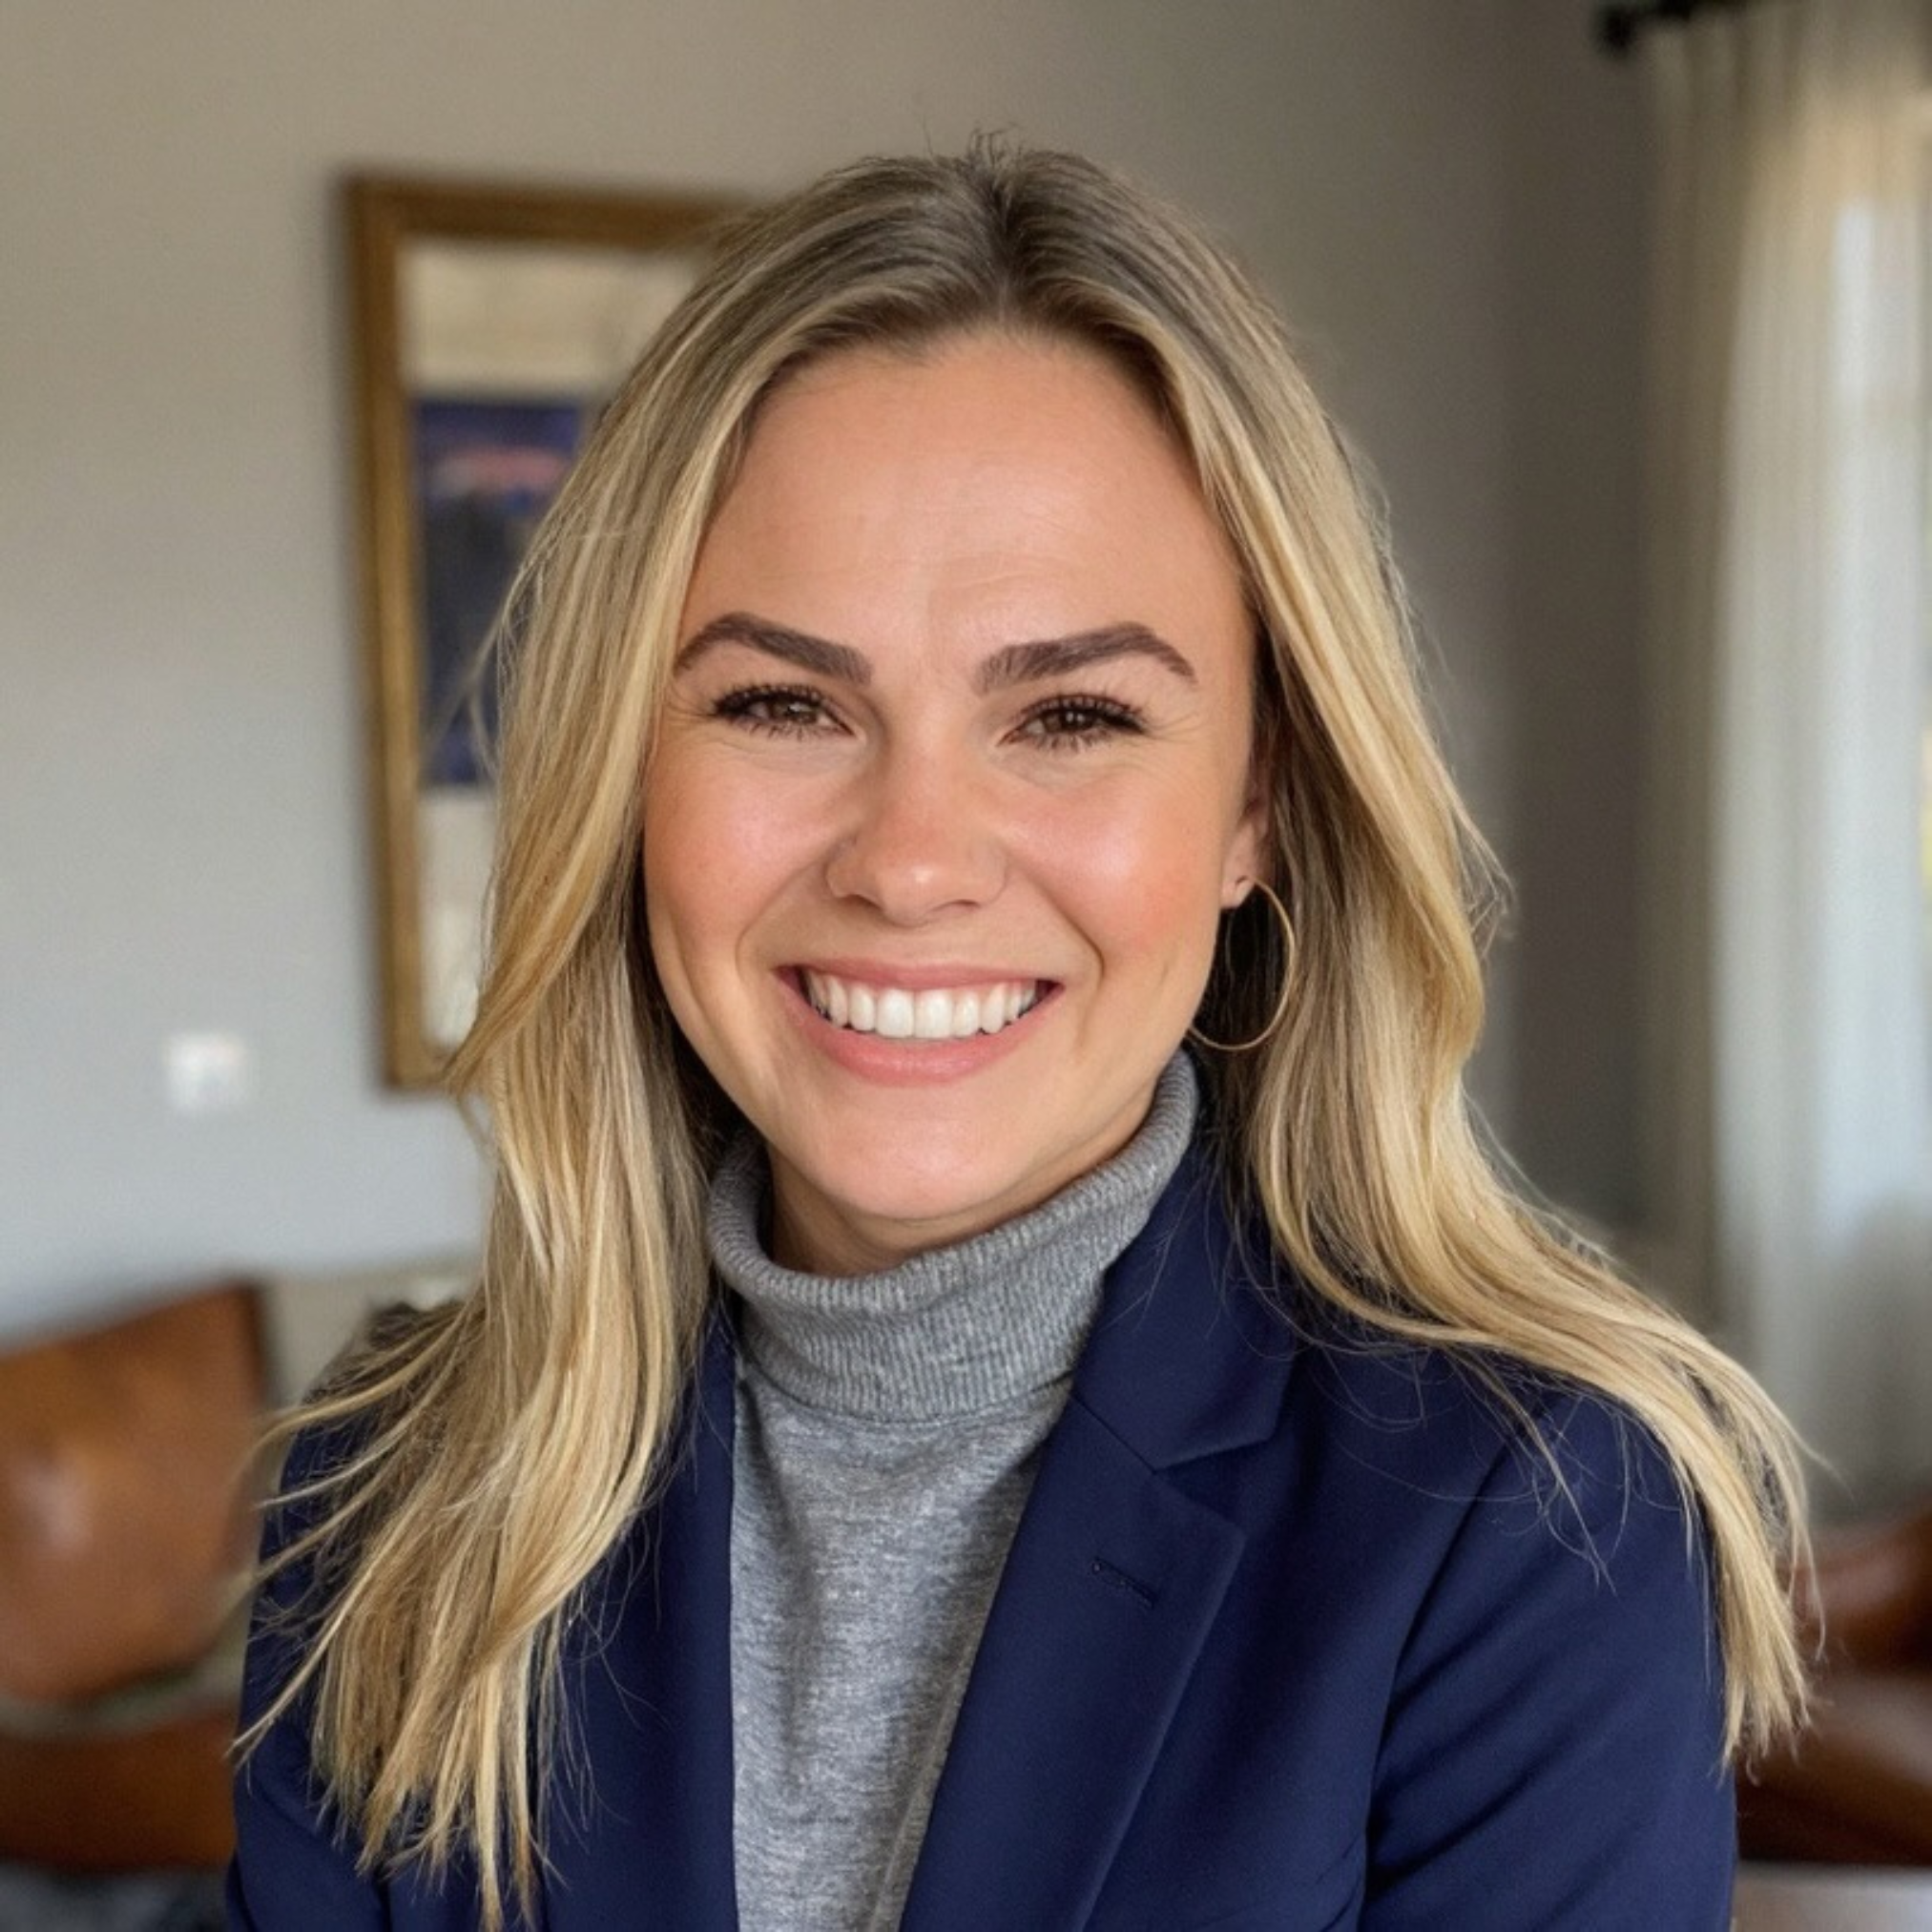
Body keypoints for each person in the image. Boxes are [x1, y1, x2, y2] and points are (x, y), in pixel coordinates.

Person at [229, 144, 1808, 1931]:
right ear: (624, 774)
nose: (910, 863)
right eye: (780, 702)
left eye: (1067, 712)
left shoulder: (1529, 1520)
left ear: (1257, 802)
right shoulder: (387, 1505)